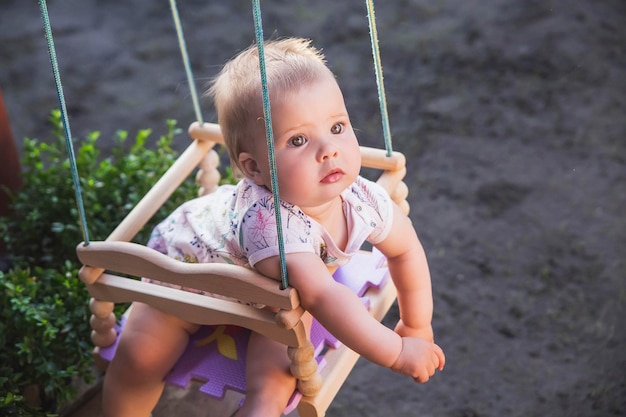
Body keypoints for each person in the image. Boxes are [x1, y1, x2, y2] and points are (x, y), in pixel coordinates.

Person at [102, 37, 445, 417]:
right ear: (254, 169)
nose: (328, 150)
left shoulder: (362, 198)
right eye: (297, 140)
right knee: (140, 360)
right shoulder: (270, 225)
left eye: (337, 126)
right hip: (189, 274)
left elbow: (406, 249)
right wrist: (396, 353)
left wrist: (417, 327)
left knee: (275, 384)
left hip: (272, 301)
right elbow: (324, 297)